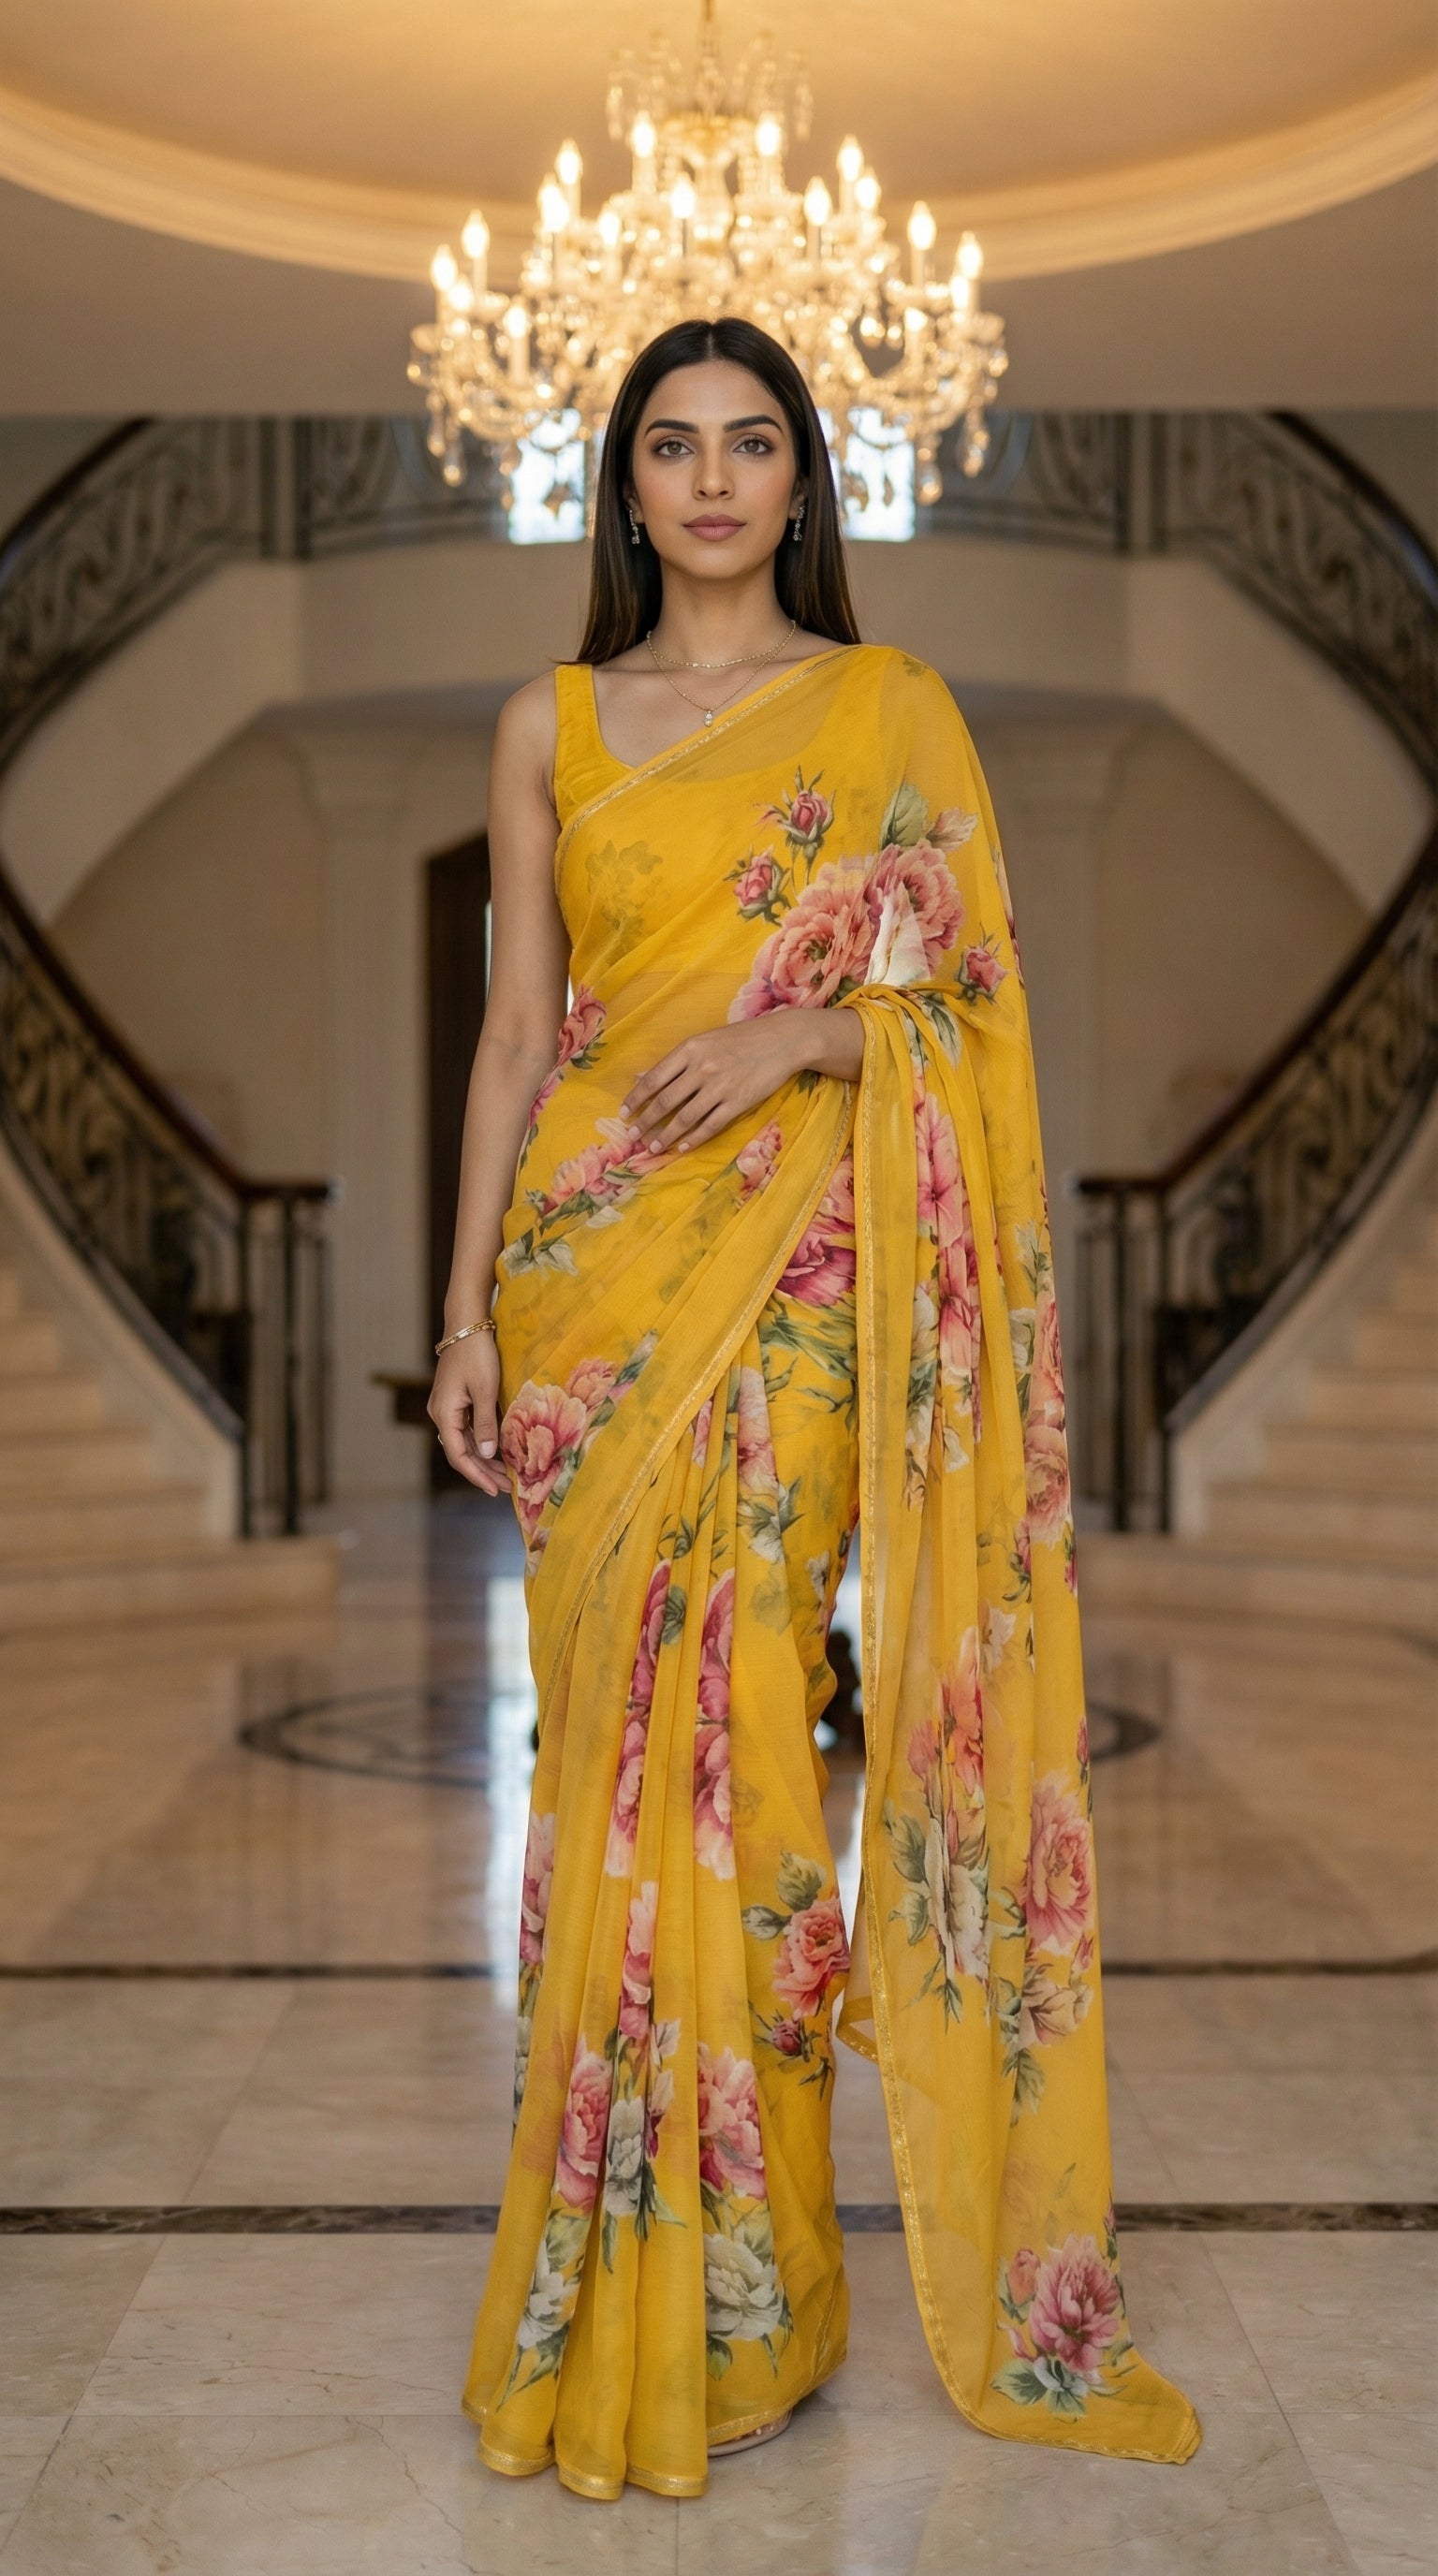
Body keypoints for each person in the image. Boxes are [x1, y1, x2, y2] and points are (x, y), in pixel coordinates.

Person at [430, 315, 1199, 2501]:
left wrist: (802, 1042)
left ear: (802, 474)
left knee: (755, 1745)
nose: (708, 479)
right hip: (589, 1282)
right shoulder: (546, 721)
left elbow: (982, 1014)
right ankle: (608, 2262)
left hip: (796, 1289)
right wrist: (467, 1314)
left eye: (749, 441)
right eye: (669, 444)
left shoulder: (891, 715)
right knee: (606, 1772)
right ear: (622, 480)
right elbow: (511, 1037)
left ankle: (754, 2292)